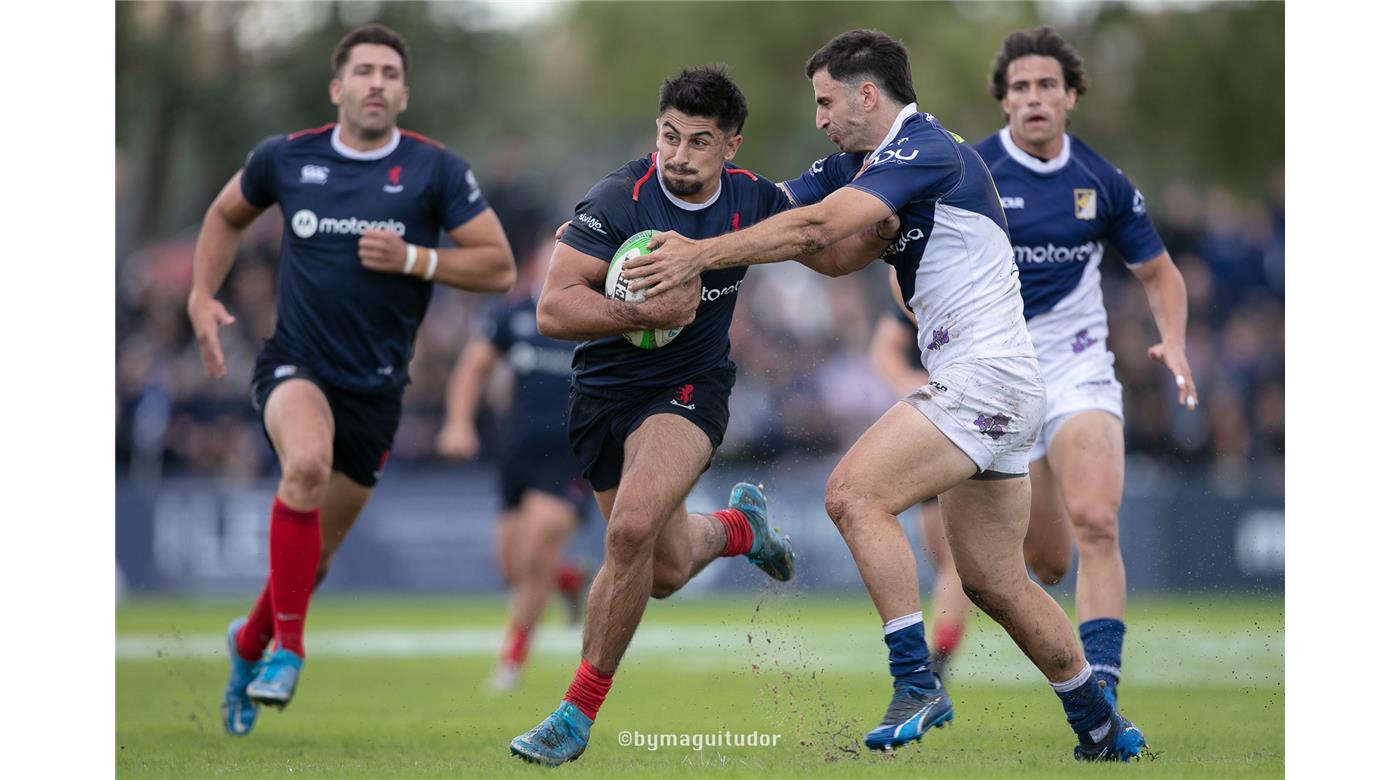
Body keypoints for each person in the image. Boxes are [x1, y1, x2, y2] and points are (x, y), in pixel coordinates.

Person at [630, 29, 1147, 761]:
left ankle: (916, 681)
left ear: (866, 95)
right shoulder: (860, 163)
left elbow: (813, 226)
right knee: (996, 584)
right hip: (997, 386)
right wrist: (659, 204)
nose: (819, 118)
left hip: (985, 379)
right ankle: (1101, 724)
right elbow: (794, 223)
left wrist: (699, 256)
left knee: (852, 495)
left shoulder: (925, 148)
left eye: (825, 101)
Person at [508, 65, 895, 766]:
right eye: (669, 136)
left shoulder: (752, 200)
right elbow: (552, 306)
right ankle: (741, 527)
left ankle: (574, 713)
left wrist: (886, 229)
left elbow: (825, 252)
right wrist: (644, 311)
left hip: (690, 389)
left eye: (698, 142)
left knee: (627, 532)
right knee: (660, 568)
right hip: (601, 394)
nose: (678, 155)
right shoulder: (617, 198)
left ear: (731, 148)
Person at [187, 24, 515, 736]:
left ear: (403, 93)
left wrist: (416, 260)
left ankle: (248, 644)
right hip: (296, 363)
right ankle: (289, 654)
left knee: (317, 560)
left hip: (377, 389)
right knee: (302, 465)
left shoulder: (435, 170)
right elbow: (223, 215)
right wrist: (199, 295)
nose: (375, 82)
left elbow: (499, 267)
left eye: (389, 72)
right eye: (362, 70)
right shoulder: (287, 158)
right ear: (337, 88)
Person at [974, 27, 1197, 708]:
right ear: (1005, 102)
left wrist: (1176, 342)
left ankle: (1102, 690)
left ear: (1070, 98)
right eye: (1021, 88)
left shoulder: (1101, 180)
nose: (1034, 98)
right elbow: (910, 252)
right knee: (1047, 561)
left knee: (1098, 519)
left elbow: (1159, 274)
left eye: (1047, 86)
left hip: (1078, 370)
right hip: (1000, 381)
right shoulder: (969, 172)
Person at [436, 239, 593, 692]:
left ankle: (511, 663)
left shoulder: (597, 317)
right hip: (518, 452)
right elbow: (473, 367)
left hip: (570, 456)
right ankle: (565, 578)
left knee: (536, 547)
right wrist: (458, 423)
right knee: (513, 567)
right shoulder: (515, 315)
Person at [866, 269, 973, 679]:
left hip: (974, 420)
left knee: (964, 561)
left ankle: (937, 660)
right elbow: (884, 351)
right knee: (949, 560)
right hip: (931, 424)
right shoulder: (913, 291)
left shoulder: (975, 289)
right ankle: (939, 656)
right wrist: (911, 383)